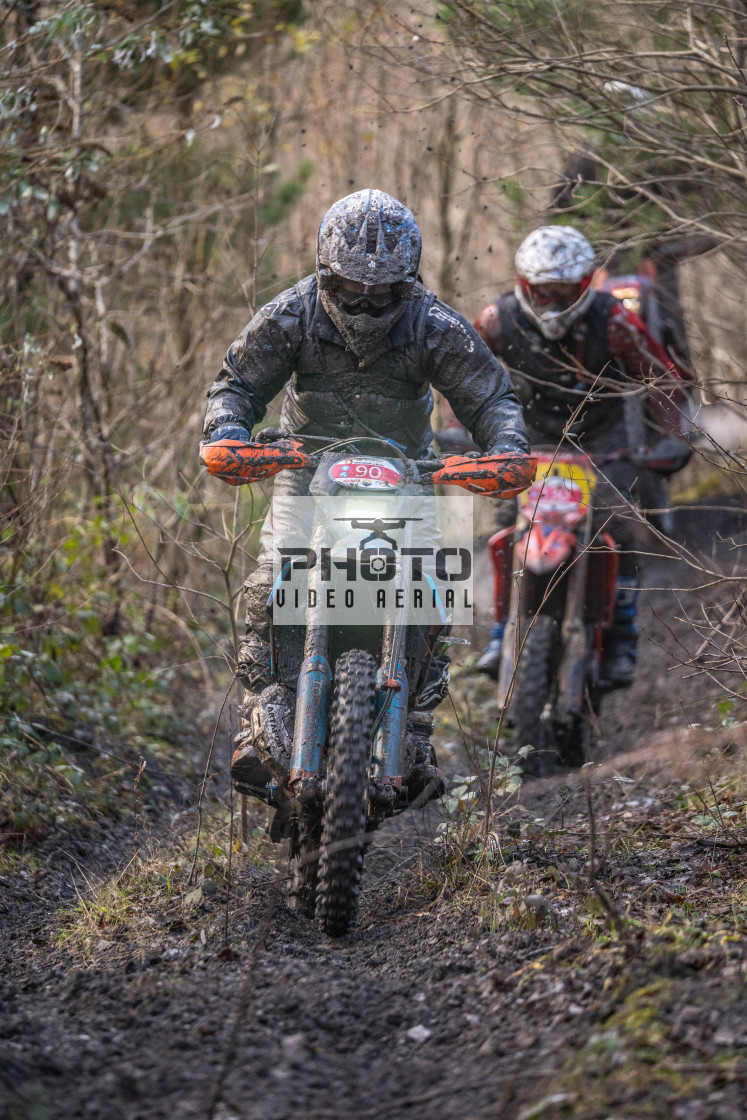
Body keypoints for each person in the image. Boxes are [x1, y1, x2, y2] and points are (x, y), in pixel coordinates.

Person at [202, 188, 531, 789]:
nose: (368, 298)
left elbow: (490, 394)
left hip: (406, 473)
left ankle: (419, 729)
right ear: (328, 274)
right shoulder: (291, 314)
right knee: (267, 582)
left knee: (437, 585)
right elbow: (238, 383)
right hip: (305, 470)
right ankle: (260, 714)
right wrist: (228, 430)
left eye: (383, 289)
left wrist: (506, 447)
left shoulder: (432, 323)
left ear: (406, 283)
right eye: (354, 285)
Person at [473, 225, 692, 681]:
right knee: (504, 531)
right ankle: (500, 632)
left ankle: (623, 635)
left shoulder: (613, 321)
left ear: (586, 284)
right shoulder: (498, 319)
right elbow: (466, 377)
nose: (552, 302)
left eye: (564, 291)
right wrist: (461, 431)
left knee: (623, 530)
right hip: (526, 441)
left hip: (600, 444)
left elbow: (661, 378)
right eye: (543, 292)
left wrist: (673, 435)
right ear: (524, 284)